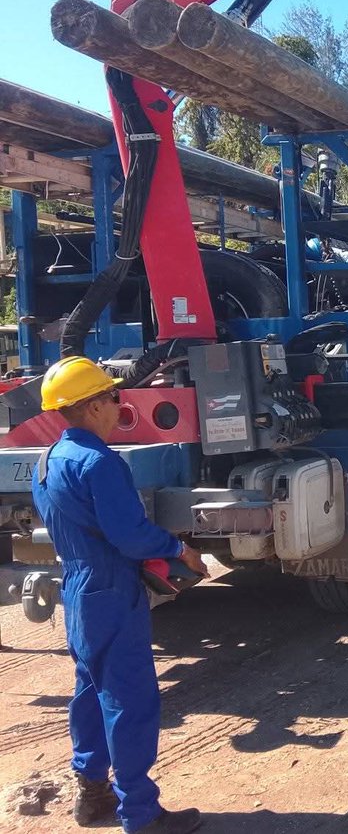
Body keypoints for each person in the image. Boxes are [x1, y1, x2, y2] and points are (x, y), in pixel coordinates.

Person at [31, 356, 206, 834]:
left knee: (90, 690)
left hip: (78, 587)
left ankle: (93, 797)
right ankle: (141, 814)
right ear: (89, 407)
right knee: (129, 699)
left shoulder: (47, 461)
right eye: (111, 397)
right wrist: (178, 549)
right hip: (110, 587)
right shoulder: (99, 463)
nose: (117, 404)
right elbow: (129, 536)